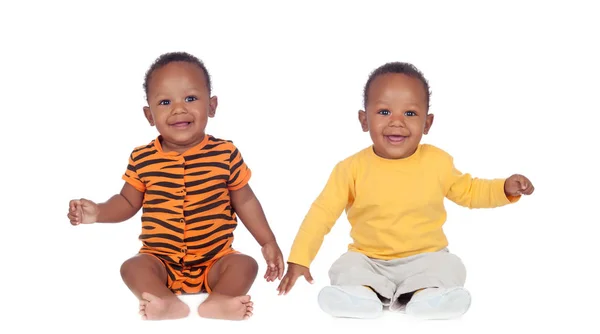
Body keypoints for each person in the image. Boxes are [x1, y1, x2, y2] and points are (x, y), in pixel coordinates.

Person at [276, 62, 534, 320]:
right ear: (364, 120)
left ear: (427, 123)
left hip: (426, 258)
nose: (396, 122)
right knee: (345, 266)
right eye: (384, 111)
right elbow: (321, 215)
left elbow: (471, 191)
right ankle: (360, 296)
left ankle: (427, 297)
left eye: (410, 114)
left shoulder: (437, 162)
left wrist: (503, 188)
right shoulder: (350, 169)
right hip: (369, 259)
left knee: (451, 266)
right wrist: (300, 258)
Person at [67, 52, 284, 321]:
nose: (178, 108)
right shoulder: (142, 158)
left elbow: (246, 201)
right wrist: (98, 212)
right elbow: (126, 202)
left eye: (191, 98)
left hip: (216, 260)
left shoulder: (225, 153)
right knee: (132, 267)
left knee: (245, 264)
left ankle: (221, 300)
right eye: (165, 101)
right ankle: (164, 301)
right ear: (149, 115)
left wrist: (268, 241)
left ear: (212, 106)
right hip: (160, 261)